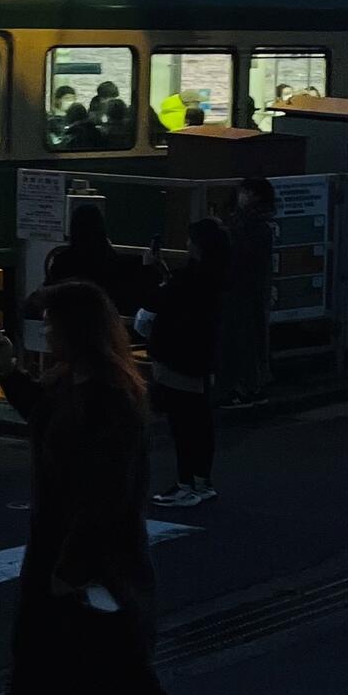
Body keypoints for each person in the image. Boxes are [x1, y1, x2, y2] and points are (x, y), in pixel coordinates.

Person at [0, 281, 200, 695]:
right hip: (61, 551)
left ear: (77, 331)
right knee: (39, 661)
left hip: (91, 561)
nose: (48, 334)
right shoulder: (75, 383)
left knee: (118, 670)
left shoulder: (109, 398)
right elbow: (43, 417)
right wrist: (11, 373)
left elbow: (106, 495)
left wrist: (75, 566)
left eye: (55, 325)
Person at [137, 218, 231, 508]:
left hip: (177, 357)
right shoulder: (217, 276)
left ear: (199, 245)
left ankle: (185, 483)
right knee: (199, 421)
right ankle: (202, 482)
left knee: (182, 423)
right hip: (202, 357)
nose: (187, 244)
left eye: (191, 240)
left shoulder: (189, 280)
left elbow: (154, 309)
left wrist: (152, 273)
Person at [25, 200, 147, 319]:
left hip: (69, 324)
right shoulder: (116, 262)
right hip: (106, 324)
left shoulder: (62, 261)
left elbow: (42, 296)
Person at [218, 177, 278, 406]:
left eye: (246, 192)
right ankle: (249, 386)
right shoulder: (261, 226)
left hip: (241, 290)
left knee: (236, 339)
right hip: (251, 290)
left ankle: (239, 387)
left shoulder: (246, 226)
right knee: (249, 338)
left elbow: (240, 256)